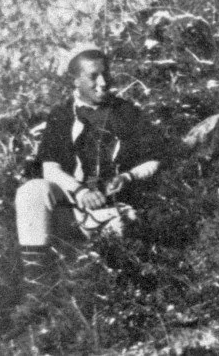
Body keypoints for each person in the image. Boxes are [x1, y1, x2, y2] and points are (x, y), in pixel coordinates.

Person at [14, 45, 166, 294]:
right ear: (75, 80)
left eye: (106, 74)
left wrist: (127, 176)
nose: (103, 82)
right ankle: (37, 288)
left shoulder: (127, 113)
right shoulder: (62, 115)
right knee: (31, 191)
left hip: (114, 208)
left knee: (119, 264)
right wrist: (81, 192)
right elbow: (50, 168)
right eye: (93, 76)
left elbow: (154, 159)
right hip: (73, 209)